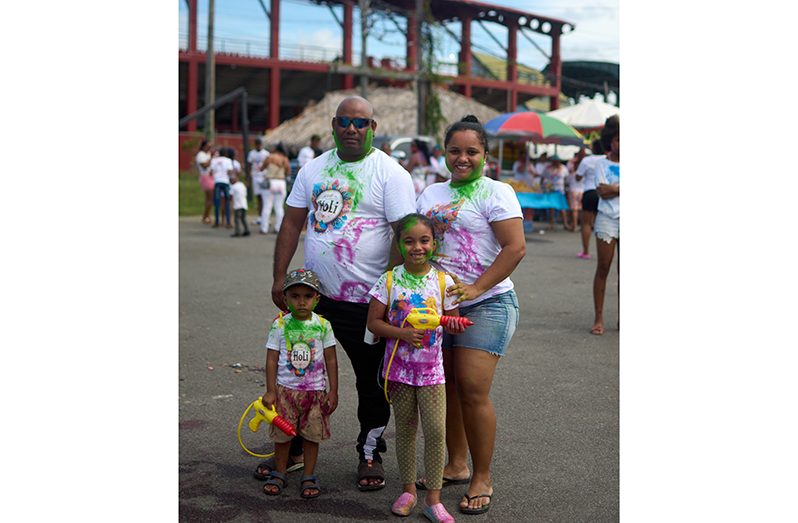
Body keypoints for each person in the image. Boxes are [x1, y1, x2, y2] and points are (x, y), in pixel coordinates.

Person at [268, 95, 417, 491]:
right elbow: (291, 223)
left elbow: (404, 235)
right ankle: (295, 448)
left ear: (373, 127)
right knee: (299, 375)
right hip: (314, 302)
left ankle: (369, 452)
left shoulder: (391, 173)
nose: (352, 129)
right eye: (345, 121)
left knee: (371, 382)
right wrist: (280, 277)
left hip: (366, 304)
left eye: (361, 123)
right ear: (334, 125)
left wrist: (388, 294)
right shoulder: (313, 168)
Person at [416, 115, 526, 515]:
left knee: (472, 388)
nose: (462, 159)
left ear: (484, 155)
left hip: (490, 302)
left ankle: (482, 476)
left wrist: (477, 287)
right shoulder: (429, 193)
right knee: (447, 386)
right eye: (455, 151)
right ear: (444, 153)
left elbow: (514, 248)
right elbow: (419, 244)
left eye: (471, 152)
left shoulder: (497, 192)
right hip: (439, 308)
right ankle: (457, 464)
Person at [366, 214, 464, 522]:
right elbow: (373, 323)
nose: (417, 247)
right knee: (406, 431)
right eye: (409, 241)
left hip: (432, 372)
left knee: (436, 431)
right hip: (398, 370)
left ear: (434, 244)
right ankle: (408, 490)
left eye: (424, 241)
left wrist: (455, 325)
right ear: (399, 245)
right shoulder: (389, 279)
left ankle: (433, 500)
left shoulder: (444, 281)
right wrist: (403, 333)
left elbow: (452, 320)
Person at [261, 268, 339, 499]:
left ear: (317, 299)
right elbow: (272, 358)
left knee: (312, 436)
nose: (301, 302)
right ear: (285, 299)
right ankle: (280, 472)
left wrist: (333, 390)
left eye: (307, 296)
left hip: (315, 392)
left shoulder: (323, 325)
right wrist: (270, 391)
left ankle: (308, 475)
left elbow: (331, 358)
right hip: (285, 391)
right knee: (282, 435)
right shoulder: (280, 325)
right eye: (295, 296)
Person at [591, 115, 620, 335]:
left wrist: (614, 188)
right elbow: (602, 191)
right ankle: (598, 317)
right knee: (603, 268)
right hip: (606, 220)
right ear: (611, 140)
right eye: (618, 139)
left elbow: (609, 190)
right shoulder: (600, 163)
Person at [575, 139, 605, 259]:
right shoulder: (606, 159)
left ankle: (586, 251)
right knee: (602, 224)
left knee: (586, 223)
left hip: (589, 192)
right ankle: (604, 253)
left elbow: (578, 177)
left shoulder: (586, 160)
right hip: (603, 193)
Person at [259, 143, 290, 234]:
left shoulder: (269, 157)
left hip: (270, 182)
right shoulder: (285, 159)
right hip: (280, 183)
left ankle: (264, 228)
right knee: (279, 207)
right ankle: (278, 228)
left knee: (267, 206)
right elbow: (288, 172)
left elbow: (262, 168)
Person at [543, 156, 571, 230]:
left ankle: (565, 223)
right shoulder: (547, 168)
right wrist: (542, 187)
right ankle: (551, 223)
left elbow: (566, 179)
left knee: (562, 207)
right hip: (550, 190)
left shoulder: (563, 168)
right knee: (551, 208)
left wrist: (566, 189)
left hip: (560, 190)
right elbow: (543, 178)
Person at [210, 146, 234, 228]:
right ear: (226, 153)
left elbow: (211, 171)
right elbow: (230, 171)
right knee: (227, 202)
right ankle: (228, 222)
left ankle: (217, 222)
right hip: (225, 182)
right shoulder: (228, 160)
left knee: (217, 202)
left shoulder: (214, 160)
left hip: (217, 182)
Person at [248, 138, 270, 224]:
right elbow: (249, 165)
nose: (259, 146)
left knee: (265, 197)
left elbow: (269, 165)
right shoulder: (251, 153)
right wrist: (248, 177)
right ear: (255, 145)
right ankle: (260, 217)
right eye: (257, 144)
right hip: (255, 176)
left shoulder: (266, 153)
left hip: (264, 177)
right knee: (258, 197)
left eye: (260, 144)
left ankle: (265, 217)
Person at [566, 148, 586, 233]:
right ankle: (582, 225)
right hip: (582, 189)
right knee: (581, 209)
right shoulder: (584, 166)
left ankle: (574, 226)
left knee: (574, 209)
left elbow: (567, 177)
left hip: (573, 189)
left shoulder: (571, 165)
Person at [195, 140, 214, 224]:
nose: (209, 148)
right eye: (208, 146)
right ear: (203, 146)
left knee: (209, 198)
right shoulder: (200, 155)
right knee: (209, 198)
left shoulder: (208, 154)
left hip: (211, 176)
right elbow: (205, 166)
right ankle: (205, 216)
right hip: (205, 177)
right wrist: (211, 158)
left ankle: (206, 216)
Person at [229, 172, 250, 237]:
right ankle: (247, 230)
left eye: (231, 180)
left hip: (237, 206)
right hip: (244, 205)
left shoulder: (233, 186)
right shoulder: (242, 185)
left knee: (237, 219)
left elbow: (231, 197)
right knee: (243, 218)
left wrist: (231, 206)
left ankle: (238, 232)